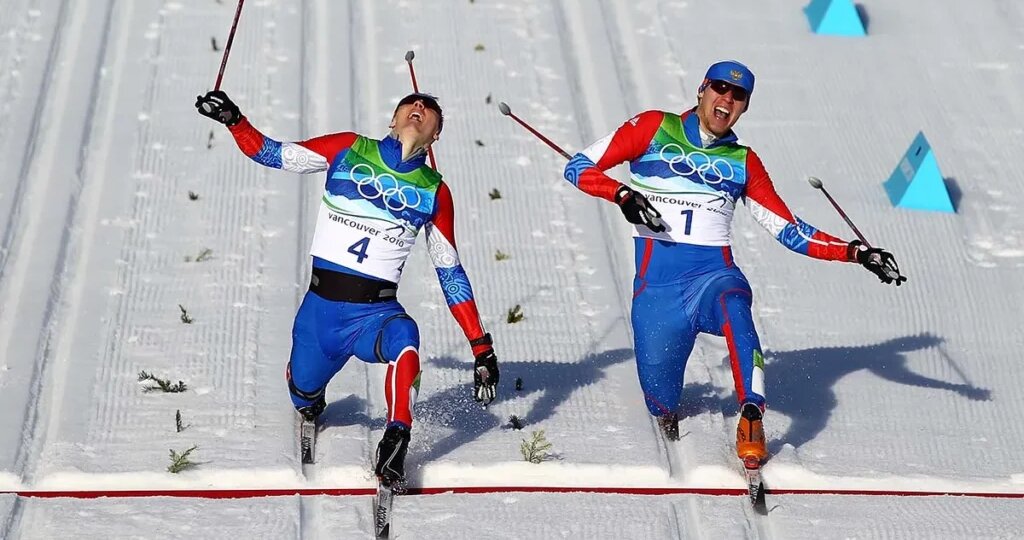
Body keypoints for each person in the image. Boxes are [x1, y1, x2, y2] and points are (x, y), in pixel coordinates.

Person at [561, 60, 904, 466]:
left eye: (738, 96)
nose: (726, 99)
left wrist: (856, 252)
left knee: (735, 307)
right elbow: (577, 167)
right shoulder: (654, 127)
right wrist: (622, 196)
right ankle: (666, 402)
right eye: (720, 88)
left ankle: (752, 414)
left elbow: (788, 230)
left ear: (744, 107)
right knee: (659, 400)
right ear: (702, 90)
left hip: (713, 276)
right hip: (658, 290)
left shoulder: (743, 161)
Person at [195, 89, 500, 488]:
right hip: (321, 313)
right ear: (393, 120)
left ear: (436, 135)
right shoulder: (348, 148)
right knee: (303, 392)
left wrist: (481, 346)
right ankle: (308, 394)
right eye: (410, 104)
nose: (419, 109)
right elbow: (276, 154)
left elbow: (450, 271)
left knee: (406, 337)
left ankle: (396, 438)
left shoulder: (435, 192)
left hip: (375, 315)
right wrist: (235, 120)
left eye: (429, 112)